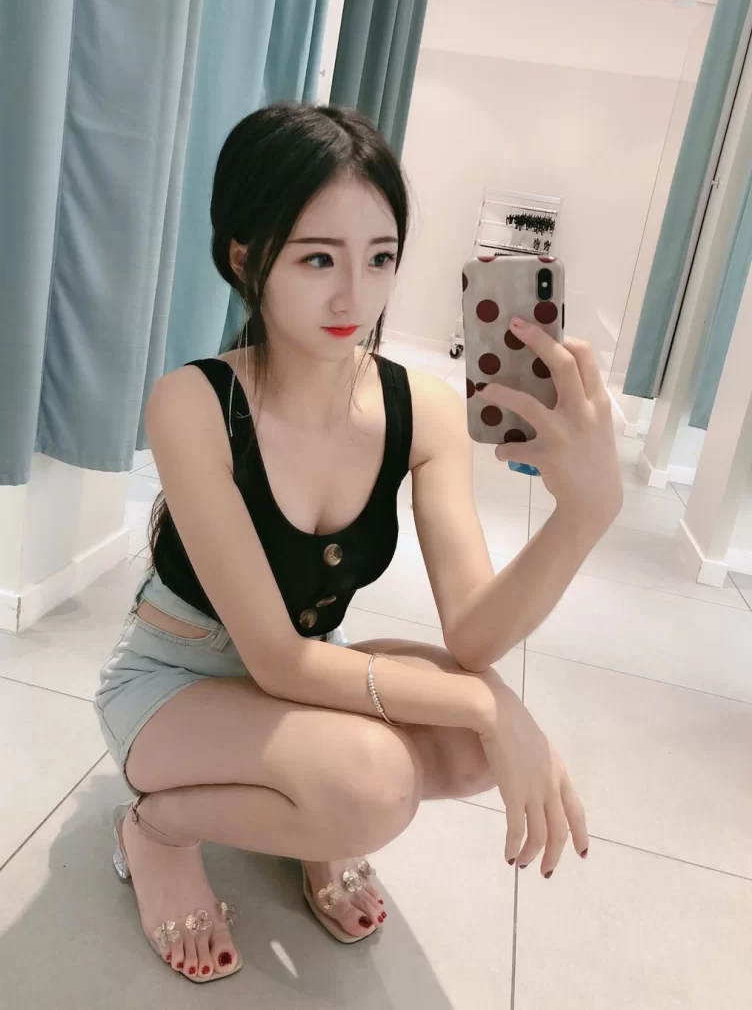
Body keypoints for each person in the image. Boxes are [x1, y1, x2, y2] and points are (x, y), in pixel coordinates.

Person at [94, 101, 623, 985]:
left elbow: (473, 635)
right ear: (245, 258)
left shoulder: (424, 410)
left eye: (380, 258)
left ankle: (315, 814)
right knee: (383, 781)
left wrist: (585, 514)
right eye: (317, 259)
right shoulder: (193, 403)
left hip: (310, 673)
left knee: (466, 749)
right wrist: (492, 704)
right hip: (177, 684)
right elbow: (275, 661)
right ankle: (158, 828)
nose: (355, 296)